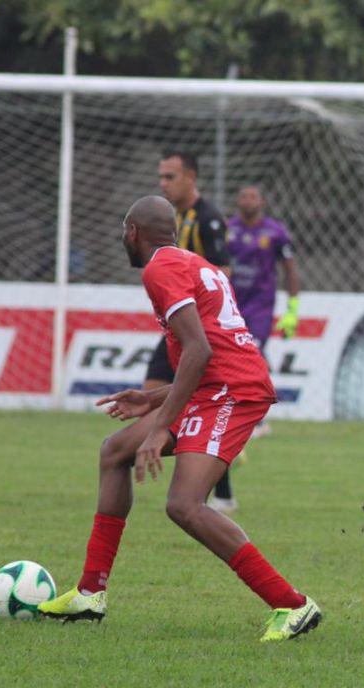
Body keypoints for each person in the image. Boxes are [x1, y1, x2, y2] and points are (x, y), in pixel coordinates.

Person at [39, 195, 322, 643]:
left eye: (123, 232)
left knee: (184, 505)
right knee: (114, 452)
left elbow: (200, 351)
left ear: (133, 232)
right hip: (219, 386)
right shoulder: (193, 262)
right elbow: (212, 354)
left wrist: (161, 427)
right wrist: (150, 400)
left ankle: (292, 604)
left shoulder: (160, 270)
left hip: (233, 392)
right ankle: (91, 592)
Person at [151, 149, 238, 513]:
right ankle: (217, 490)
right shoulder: (178, 216)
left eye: (170, 176)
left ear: (190, 177)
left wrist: (191, 314)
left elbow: (222, 273)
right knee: (155, 391)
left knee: (164, 395)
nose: (163, 183)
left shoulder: (208, 219)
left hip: (200, 333)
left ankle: (212, 490)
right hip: (181, 327)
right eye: (162, 176)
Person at [227, 186, 301, 439]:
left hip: (260, 306)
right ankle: (237, 413)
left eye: (253, 196)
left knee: (252, 354)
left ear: (262, 201)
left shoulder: (276, 232)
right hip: (230, 304)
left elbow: (290, 268)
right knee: (233, 358)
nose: (248, 200)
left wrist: (293, 308)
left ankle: (256, 419)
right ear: (237, 201)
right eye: (244, 196)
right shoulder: (228, 229)